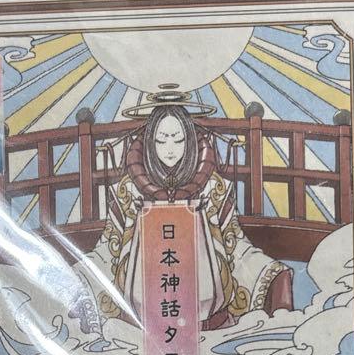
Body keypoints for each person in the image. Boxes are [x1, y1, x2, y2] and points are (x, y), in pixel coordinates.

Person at [82, 103, 293, 330]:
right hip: (140, 322)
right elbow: (110, 249)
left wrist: (271, 272)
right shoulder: (127, 191)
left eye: (178, 140)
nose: (169, 149)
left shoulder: (214, 188)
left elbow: (234, 245)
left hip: (207, 319)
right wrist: (80, 275)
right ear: (149, 142)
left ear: (190, 141)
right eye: (161, 141)